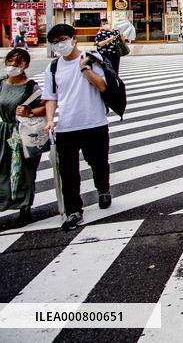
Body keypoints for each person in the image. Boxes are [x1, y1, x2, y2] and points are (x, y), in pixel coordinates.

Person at [42, 24, 111, 232]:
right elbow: (50, 97)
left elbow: (102, 85)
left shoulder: (91, 58)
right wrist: (50, 119)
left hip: (94, 122)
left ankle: (103, 189)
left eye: (62, 40)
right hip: (66, 126)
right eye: (54, 43)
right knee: (68, 171)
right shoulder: (52, 68)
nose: (59, 45)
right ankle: (74, 210)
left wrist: (85, 69)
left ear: (74, 38)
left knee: (98, 162)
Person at [0, 48, 47, 227]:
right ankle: (4, 203)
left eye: (17, 63)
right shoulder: (1, 84)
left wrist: (29, 112)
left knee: (24, 170)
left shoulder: (31, 86)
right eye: (10, 62)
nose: (12, 66)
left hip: (24, 132)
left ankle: (24, 208)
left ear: (25, 65)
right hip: (3, 130)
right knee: (2, 170)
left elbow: (46, 105)